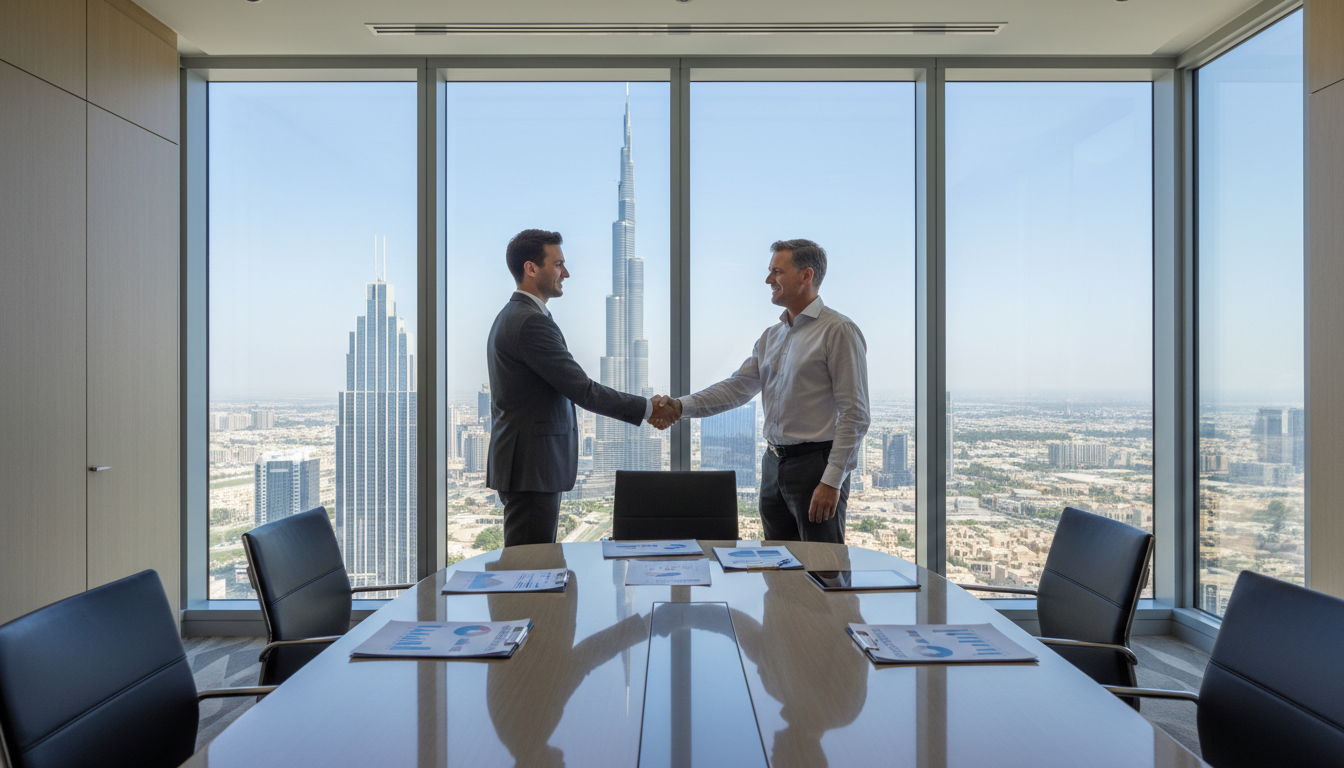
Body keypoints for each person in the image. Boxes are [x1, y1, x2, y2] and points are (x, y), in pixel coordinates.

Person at [651, 239, 869, 543]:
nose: (768, 280)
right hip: (773, 464)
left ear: (806, 276)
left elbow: (855, 414)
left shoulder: (838, 331)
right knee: (778, 568)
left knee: (823, 572)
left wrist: (832, 481)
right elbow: (737, 389)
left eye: (777, 272)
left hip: (815, 467)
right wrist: (679, 406)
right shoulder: (771, 337)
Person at [486, 228, 663, 547]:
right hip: (531, 467)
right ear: (531, 268)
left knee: (532, 566)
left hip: (527, 466)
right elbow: (582, 389)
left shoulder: (517, 315)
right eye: (558, 264)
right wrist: (649, 408)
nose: (565, 273)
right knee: (529, 571)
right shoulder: (530, 322)